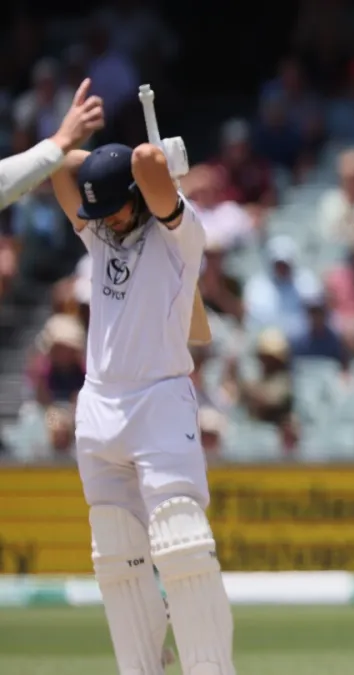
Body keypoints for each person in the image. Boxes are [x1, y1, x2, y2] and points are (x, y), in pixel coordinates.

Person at [48, 140, 235, 673]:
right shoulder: (101, 236)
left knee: (183, 546)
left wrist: (156, 164)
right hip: (98, 408)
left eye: (116, 206)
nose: (107, 220)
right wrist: (102, 166)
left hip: (158, 403)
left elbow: (149, 165)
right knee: (116, 559)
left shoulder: (181, 234)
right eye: (100, 211)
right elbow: (62, 166)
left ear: (138, 195)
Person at [0, 79, 104, 210]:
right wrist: (63, 139)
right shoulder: (28, 106)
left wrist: (63, 141)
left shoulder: (63, 101)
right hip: (38, 183)